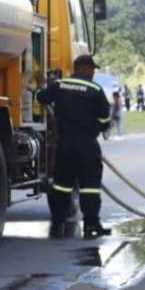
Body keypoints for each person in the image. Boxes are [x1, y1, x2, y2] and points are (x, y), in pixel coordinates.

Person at [36, 54, 114, 238]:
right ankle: (91, 224)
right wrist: (101, 126)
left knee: (61, 185)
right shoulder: (95, 89)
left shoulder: (59, 85)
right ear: (84, 68)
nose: (93, 72)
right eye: (92, 68)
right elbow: (104, 118)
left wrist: (41, 86)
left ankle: (58, 223)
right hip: (87, 145)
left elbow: (42, 98)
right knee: (90, 187)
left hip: (64, 145)